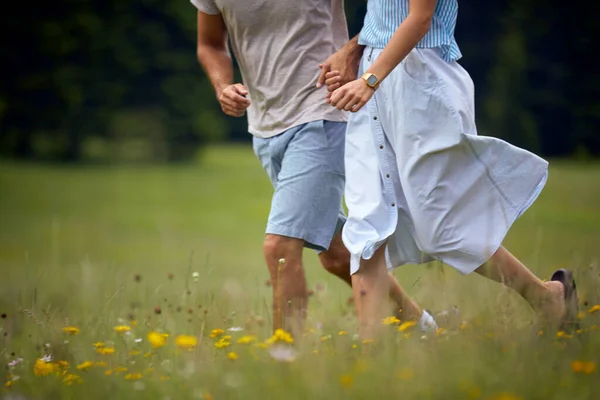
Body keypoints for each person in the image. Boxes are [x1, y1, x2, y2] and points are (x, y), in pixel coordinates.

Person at [325, 0, 578, 340]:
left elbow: (421, 18)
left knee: (442, 227)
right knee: (365, 228)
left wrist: (369, 79)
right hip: (374, 80)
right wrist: (354, 49)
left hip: (419, 83)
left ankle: (546, 296)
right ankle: (371, 362)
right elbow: (387, 14)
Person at [191, 0, 437, 337]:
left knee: (279, 247)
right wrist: (222, 86)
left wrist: (354, 50)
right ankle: (421, 326)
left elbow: (390, 11)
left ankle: (284, 360)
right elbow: (210, 43)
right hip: (264, 128)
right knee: (337, 254)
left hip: (323, 114)